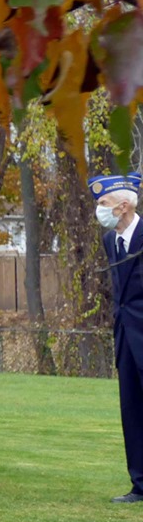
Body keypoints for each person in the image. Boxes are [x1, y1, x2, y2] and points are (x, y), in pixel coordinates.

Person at [93, 173, 143, 503]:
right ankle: (139, 484)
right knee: (132, 411)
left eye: (103, 203)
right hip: (126, 338)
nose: (99, 210)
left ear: (123, 206)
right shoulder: (111, 241)